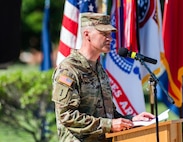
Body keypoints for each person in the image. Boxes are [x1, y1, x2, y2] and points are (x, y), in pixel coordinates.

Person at [52, 12, 155, 142]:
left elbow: (109, 114)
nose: (109, 38)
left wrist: (131, 120)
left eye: (110, 34)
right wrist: (109, 125)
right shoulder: (69, 70)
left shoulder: (99, 69)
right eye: (104, 33)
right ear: (87, 35)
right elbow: (66, 116)